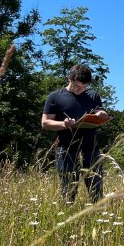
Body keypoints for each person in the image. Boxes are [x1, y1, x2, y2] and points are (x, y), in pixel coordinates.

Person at [41, 64, 110, 203]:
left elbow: (100, 111)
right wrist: (63, 124)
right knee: (68, 191)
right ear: (69, 79)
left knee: (96, 190)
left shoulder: (93, 95)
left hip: (91, 148)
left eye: (84, 87)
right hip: (66, 148)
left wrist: (102, 113)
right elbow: (45, 123)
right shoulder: (55, 97)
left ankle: (97, 216)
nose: (81, 90)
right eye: (77, 86)